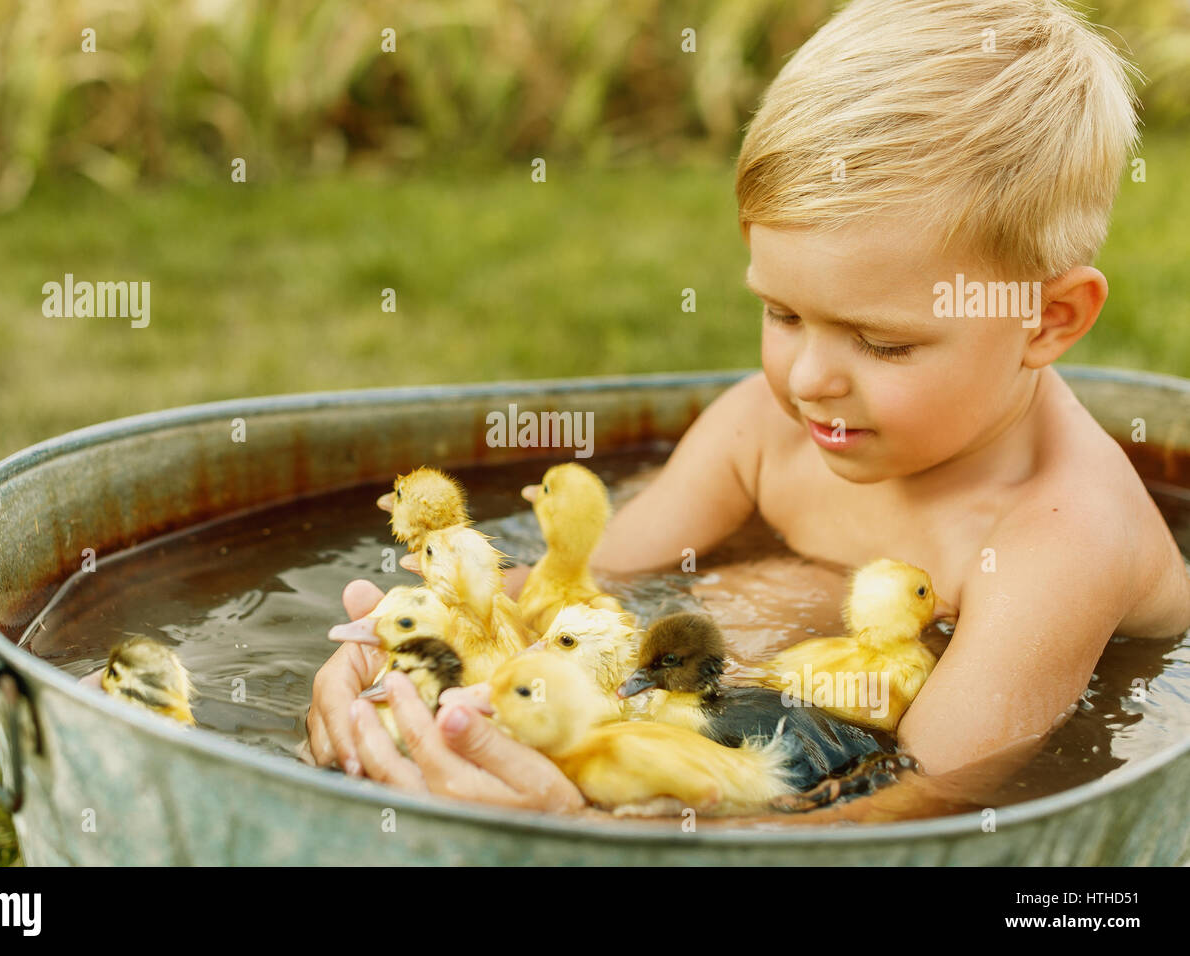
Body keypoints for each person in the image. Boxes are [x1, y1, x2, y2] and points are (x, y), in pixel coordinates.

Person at [305, 0, 1190, 821]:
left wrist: (605, 831)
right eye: (783, 313)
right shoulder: (766, 427)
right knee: (748, 601)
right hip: (784, 681)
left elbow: (926, 800)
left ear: (1047, 318)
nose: (808, 378)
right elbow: (581, 587)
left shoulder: (1060, 538)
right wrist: (406, 646)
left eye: (883, 344)